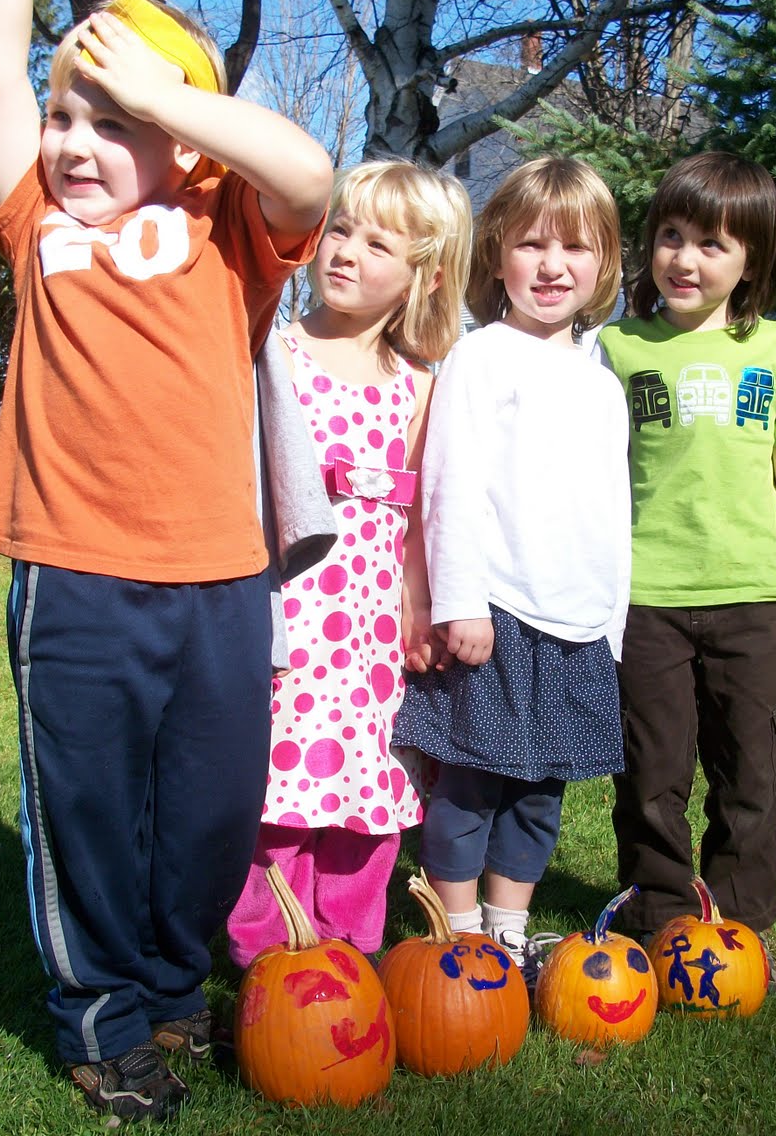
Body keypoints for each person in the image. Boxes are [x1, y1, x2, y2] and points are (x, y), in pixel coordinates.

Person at [0, 0, 332, 1122]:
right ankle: (102, 1019)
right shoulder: (37, 222)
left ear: (183, 137)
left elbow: (310, 174)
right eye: (67, 116)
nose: (75, 143)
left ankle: (175, 985)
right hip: (73, 575)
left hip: (220, 580)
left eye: (112, 121)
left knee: (210, 814)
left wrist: (163, 95)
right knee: (86, 810)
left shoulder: (230, 226)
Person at [225, 160, 473, 968]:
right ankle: (268, 956)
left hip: (369, 629)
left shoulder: (418, 388)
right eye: (340, 229)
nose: (345, 252)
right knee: (277, 779)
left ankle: (348, 951)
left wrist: (419, 606)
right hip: (285, 613)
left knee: (367, 781)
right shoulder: (273, 352)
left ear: (425, 277)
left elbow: (418, 520)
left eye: (377, 245)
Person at [599, 151, 776, 969]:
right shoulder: (617, 349)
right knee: (651, 770)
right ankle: (661, 919)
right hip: (645, 598)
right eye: (671, 236)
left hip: (750, 596)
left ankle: (738, 926)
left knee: (753, 771)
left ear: (751, 260)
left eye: (712, 244)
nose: (685, 259)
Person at [392, 157, 632, 970]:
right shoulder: (482, 356)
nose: (552, 266)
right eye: (532, 244)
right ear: (497, 254)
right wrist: (460, 600)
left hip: (575, 623)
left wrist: (612, 624)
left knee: (538, 793)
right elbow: (450, 484)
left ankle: (508, 930)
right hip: (494, 612)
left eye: (575, 247)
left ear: (604, 264)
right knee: (469, 784)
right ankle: (456, 939)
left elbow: (612, 514)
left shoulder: (601, 382)